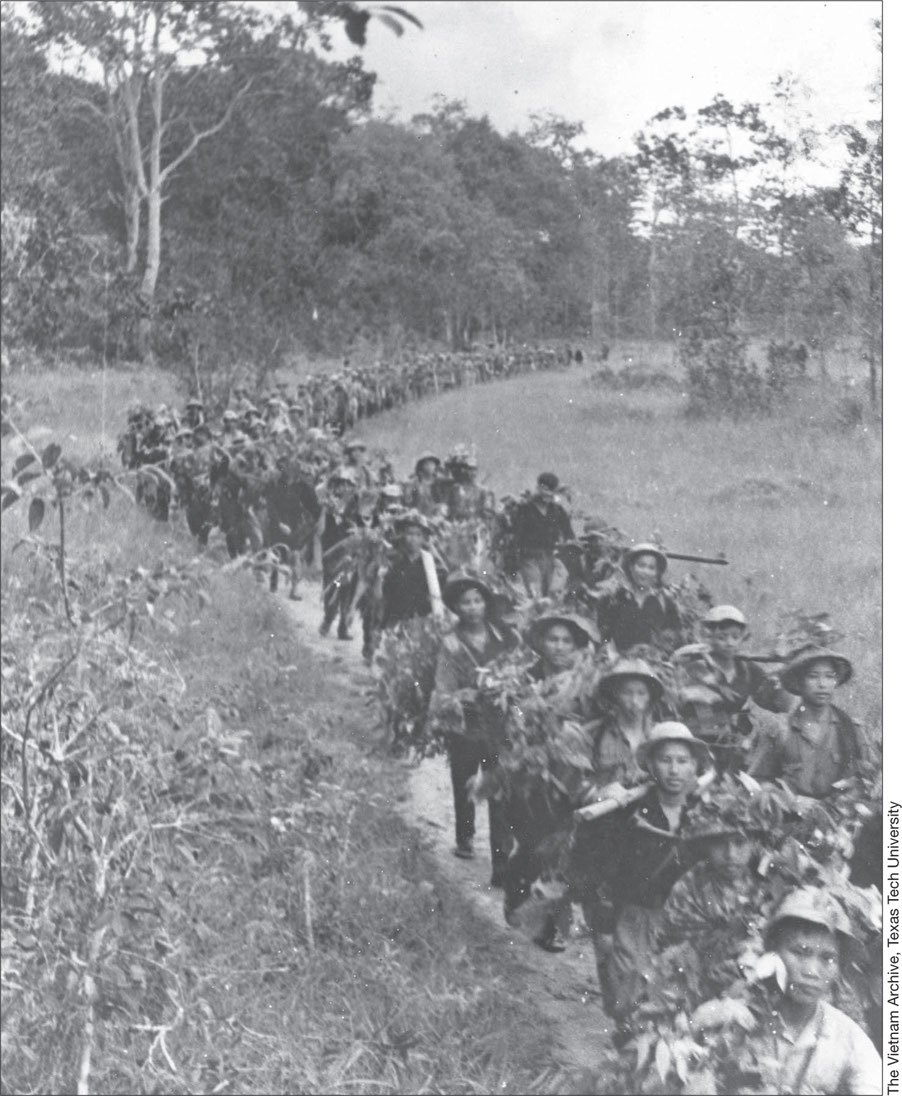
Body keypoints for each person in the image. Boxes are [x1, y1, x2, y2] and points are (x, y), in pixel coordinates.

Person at [600, 723, 712, 1018]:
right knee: (630, 991)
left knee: (676, 992)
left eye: (682, 761)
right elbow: (605, 872)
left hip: (683, 919)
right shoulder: (629, 812)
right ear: (650, 765)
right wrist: (604, 926)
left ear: (695, 767)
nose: (674, 770)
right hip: (637, 915)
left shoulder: (704, 815)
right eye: (665, 760)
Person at [504, 612, 599, 952]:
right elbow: (513, 720)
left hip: (570, 776)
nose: (559, 648)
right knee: (530, 843)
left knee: (559, 847)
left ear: (577, 648)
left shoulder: (588, 683)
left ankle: (548, 926)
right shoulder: (525, 678)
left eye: (567, 642)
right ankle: (516, 893)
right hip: (530, 775)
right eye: (553, 640)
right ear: (541, 643)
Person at [742, 887, 880, 1095]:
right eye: (800, 952)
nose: (812, 972)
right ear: (773, 951)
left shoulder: (850, 1040)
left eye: (828, 958)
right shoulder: (735, 1020)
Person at [430, 572, 517, 884]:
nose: (472, 607)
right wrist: (458, 696)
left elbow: (517, 667)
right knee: (465, 780)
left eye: (477, 601)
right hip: (466, 725)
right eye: (465, 603)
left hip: (499, 725)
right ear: (456, 607)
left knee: (498, 789)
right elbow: (444, 685)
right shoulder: (452, 643)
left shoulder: (503, 635)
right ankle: (465, 837)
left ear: (485, 603)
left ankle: (501, 862)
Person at [674, 605, 791, 774]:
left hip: (738, 743)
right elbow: (687, 708)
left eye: (735, 637)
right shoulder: (694, 667)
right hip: (700, 739)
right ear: (709, 636)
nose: (729, 643)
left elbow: (781, 706)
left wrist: (782, 680)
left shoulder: (747, 670)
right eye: (722, 637)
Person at [749, 644, 868, 798]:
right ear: (798, 683)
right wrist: (791, 801)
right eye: (813, 676)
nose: (822, 684)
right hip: (790, 818)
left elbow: (869, 778)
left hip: (839, 817)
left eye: (829, 676)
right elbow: (756, 782)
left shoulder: (851, 729)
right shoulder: (780, 730)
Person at [596, 542, 682, 655]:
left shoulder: (666, 602)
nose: (645, 572)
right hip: (618, 663)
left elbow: (672, 639)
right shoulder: (614, 597)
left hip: (654, 665)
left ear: (657, 573)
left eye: (651, 568)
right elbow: (603, 636)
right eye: (641, 565)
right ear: (631, 567)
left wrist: (655, 651)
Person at [511, 473, 574, 597]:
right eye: (544, 491)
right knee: (535, 595)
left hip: (550, 557)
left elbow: (568, 533)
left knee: (551, 594)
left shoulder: (557, 510)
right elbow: (516, 535)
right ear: (538, 489)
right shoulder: (525, 509)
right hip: (530, 558)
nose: (547, 497)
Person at [318, 469, 363, 640]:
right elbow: (322, 528)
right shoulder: (329, 505)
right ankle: (328, 618)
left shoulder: (355, 506)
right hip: (332, 552)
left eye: (348, 485)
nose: (344, 488)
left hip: (350, 551)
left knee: (348, 590)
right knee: (333, 586)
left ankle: (343, 627)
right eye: (341, 484)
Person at [405, 453, 446, 518]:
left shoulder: (439, 483)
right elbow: (407, 500)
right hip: (417, 517)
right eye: (428, 464)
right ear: (421, 466)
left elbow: (442, 501)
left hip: (435, 517)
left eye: (433, 464)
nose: (431, 466)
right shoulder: (415, 483)